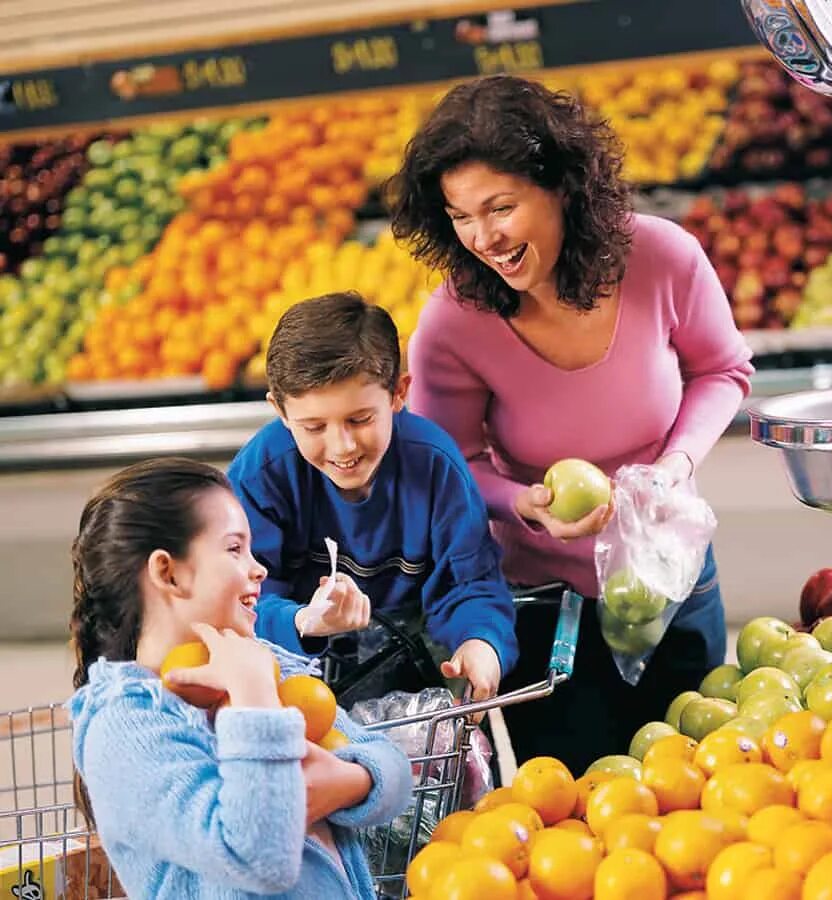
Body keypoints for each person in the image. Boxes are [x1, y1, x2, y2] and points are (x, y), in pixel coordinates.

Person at [388, 74, 754, 774]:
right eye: (460, 216)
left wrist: (674, 466)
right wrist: (520, 504)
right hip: (543, 605)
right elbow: (449, 461)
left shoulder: (662, 257)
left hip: (669, 574)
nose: (483, 237)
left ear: (560, 184)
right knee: (575, 805)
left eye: (501, 207)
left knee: (704, 783)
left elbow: (723, 371)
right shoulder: (452, 322)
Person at [68, 458, 413, 899]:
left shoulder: (267, 665)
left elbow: (393, 768)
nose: (259, 568)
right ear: (167, 572)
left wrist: (350, 782)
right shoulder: (128, 727)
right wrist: (252, 694)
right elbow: (257, 858)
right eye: (234, 549)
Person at [225, 292, 519, 705]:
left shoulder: (435, 466)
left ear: (399, 393)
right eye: (314, 427)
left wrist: (480, 643)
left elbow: (469, 584)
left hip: (415, 683)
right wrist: (303, 620)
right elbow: (234, 598)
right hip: (290, 689)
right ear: (280, 411)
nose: (342, 446)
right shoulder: (261, 474)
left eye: (360, 419)